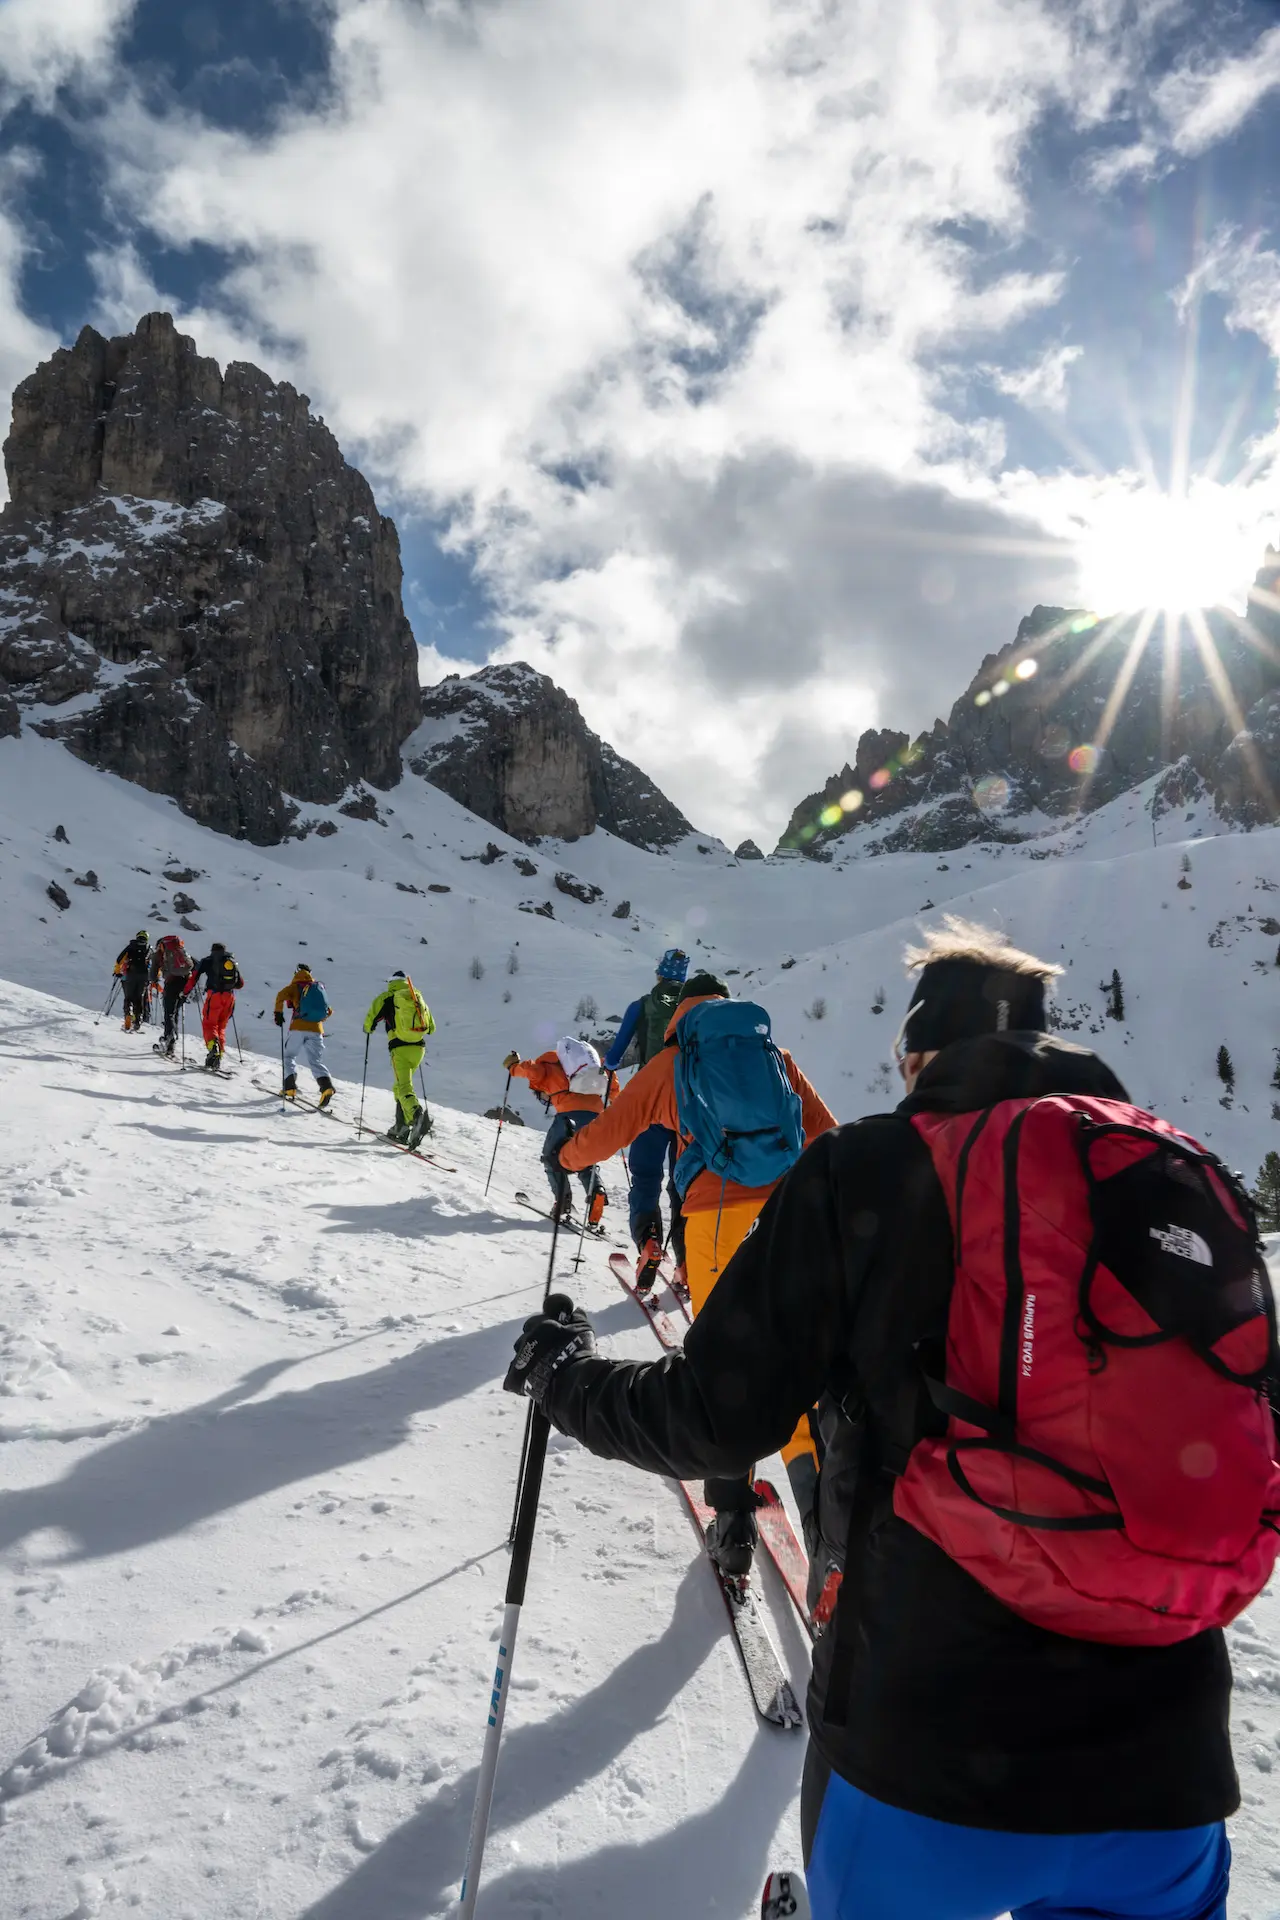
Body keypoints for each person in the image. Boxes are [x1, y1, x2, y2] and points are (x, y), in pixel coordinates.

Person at [505, 921, 1260, 1920]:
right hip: (1167, 1780)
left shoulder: (875, 1168)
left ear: (916, 1053)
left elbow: (707, 1421)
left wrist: (564, 1377)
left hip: (923, 1759)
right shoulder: (1178, 1179)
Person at [558, 971, 836, 1572]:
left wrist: (565, 1155)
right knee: (797, 1359)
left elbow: (609, 1132)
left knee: (728, 1371)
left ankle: (733, 1527)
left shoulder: (673, 1061)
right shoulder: (774, 1057)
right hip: (786, 1218)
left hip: (714, 1220)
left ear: (682, 1013)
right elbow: (829, 1134)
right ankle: (826, 1543)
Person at [603, 948, 690, 1287]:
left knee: (646, 1177)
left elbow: (612, 1059)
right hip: (689, 1109)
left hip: (650, 1102)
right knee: (685, 1185)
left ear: (659, 973)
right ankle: (687, 1264)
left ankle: (649, 1243)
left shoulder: (640, 1006)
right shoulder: (698, 1010)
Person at [504, 1037, 617, 1225]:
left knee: (551, 1157)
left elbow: (531, 1070)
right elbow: (613, 1088)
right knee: (584, 1160)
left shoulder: (550, 1063)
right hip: (596, 1118)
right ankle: (597, 1191)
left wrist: (512, 1067)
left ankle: (562, 1203)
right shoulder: (590, 1066)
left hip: (568, 1116)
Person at [363, 972, 435, 1145]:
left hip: (399, 1048)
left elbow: (372, 1018)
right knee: (399, 1086)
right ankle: (400, 1126)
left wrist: (368, 1028)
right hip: (418, 1049)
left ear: (391, 983)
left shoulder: (388, 997)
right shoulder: (417, 997)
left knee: (403, 1087)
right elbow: (431, 1027)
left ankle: (417, 1116)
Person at [274, 963, 335, 1108]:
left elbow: (280, 996)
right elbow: (329, 1011)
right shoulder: (318, 988)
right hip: (317, 1030)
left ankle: (289, 1087)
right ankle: (326, 1087)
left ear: (296, 972)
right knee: (315, 1061)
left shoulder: (295, 986)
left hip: (298, 1027)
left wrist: (278, 1013)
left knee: (289, 1056)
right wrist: (317, 1021)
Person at [185, 942, 244, 1071]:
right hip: (229, 998)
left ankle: (213, 1050)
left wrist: (185, 992)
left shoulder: (208, 960)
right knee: (221, 1027)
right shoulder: (230, 962)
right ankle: (218, 1058)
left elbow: (194, 976)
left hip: (215, 996)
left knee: (209, 1024)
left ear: (212, 950)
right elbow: (240, 984)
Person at [149, 933, 192, 1057]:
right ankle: (173, 1035)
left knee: (169, 1012)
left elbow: (152, 974)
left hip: (171, 983)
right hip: (185, 983)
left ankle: (170, 1038)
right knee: (175, 1011)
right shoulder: (180, 950)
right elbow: (193, 965)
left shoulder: (158, 954)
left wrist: (154, 980)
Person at [114, 931, 151, 1031]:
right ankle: (137, 1021)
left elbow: (119, 959)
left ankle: (128, 1016)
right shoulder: (149, 948)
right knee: (139, 998)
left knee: (128, 997)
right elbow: (154, 963)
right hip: (144, 976)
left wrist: (117, 971)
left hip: (130, 974)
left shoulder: (131, 946)